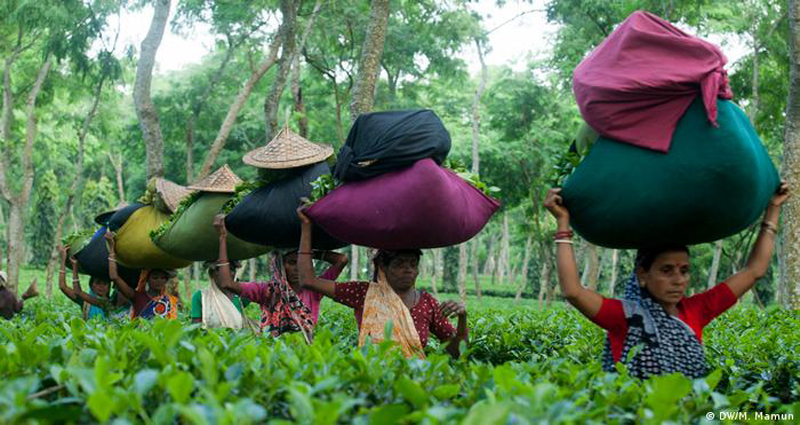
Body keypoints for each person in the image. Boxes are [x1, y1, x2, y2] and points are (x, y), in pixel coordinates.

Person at [543, 182, 790, 379]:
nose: (678, 280)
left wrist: (774, 209)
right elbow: (574, 291)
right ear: (642, 275)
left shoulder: (696, 310)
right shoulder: (624, 316)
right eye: (666, 270)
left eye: (684, 270)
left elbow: (754, 270)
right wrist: (563, 222)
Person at [295, 208, 469, 359]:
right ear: (384, 267)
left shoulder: (427, 303)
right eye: (399, 264)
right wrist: (306, 226)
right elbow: (307, 280)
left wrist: (462, 319)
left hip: (414, 381)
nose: (407, 270)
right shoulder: (364, 293)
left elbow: (457, 353)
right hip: (375, 378)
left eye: (412, 264)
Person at [213, 214, 347, 341]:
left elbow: (341, 260)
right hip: (274, 354)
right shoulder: (266, 291)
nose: (298, 268)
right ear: (280, 265)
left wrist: (308, 253)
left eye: (301, 263)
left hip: (305, 354)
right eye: (292, 262)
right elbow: (227, 283)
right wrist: (222, 237)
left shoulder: (314, 289)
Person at [104, 231, 179, 320]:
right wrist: (112, 248)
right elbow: (114, 277)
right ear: (147, 279)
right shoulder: (137, 297)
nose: (159, 281)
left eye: (163, 278)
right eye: (155, 277)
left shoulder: (170, 301)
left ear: (166, 280)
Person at [190, 259, 251, 329]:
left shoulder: (241, 296)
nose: (228, 274)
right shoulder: (201, 297)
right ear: (212, 273)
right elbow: (195, 329)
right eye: (223, 270)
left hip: (236, 339)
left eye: (231, 269)